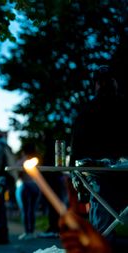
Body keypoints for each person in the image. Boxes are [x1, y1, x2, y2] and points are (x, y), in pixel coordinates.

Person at [70, 65, 128, 245]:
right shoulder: (87, 112)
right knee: (103, 227)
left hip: (105, 179)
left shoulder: (87, 111)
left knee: (103, 228)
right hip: (105, 179)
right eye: (102, 81)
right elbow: (77, 149)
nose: (105, 85)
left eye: (107, 81)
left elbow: (76, 150)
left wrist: (76, 174)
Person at [15, 142, 40, 240]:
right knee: (32, 210)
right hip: (35, 186)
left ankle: (27, 231)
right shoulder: (37, 160)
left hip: (24, 186)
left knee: (25, 210)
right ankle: (32, 231)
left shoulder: (23, 160)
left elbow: (18, 174)